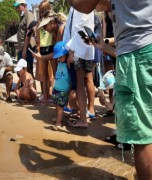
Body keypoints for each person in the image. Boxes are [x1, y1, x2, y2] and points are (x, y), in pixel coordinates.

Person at [69, 0, 152, 178]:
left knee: (143, 136)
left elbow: (81, 4)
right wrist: (104, 46)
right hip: (141, 50)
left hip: (139, 56)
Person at [51, 41, 70, 130]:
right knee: (56, 104)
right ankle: (60, 118)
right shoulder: (60, 63)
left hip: (63, 90)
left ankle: (58, 123)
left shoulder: (68, 65)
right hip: (56, 87)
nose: (60, 58)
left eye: (61, 56)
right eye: (58, 57)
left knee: (60, 107)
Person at [14, 0, 35, 75]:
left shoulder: (28, 14)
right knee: (20, 71)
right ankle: (24, 87)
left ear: (24, 6)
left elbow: (29, 31)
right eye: (16, 7)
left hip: (27, 48)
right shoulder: (22, 17)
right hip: (22, 48)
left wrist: (25, 49)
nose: (17, 9)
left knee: (28, 72)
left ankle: (30, 87)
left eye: (18, 7)